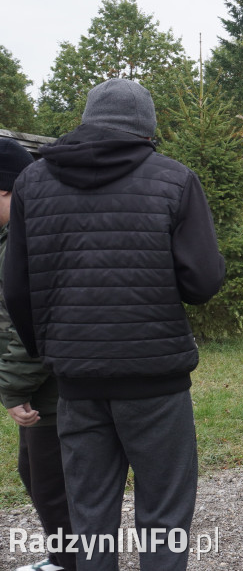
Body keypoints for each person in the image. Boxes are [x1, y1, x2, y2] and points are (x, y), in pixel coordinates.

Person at [3, 78, 225, 570]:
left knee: (89, 514)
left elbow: (17, 288)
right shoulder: (174, 179)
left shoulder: (32, 184)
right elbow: (204, 281)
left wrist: (52, 351)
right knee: (164, 512)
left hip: (77, 380)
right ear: (147, 128)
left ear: (87, 118)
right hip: (155, 380)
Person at [0, 139, 76, 571]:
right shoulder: (11, 237)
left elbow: (27, 320)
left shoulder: (20, 242)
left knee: (52, 485)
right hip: (44, 390)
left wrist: (14, 388)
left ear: (8, 190)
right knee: (37, 475)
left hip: (51, 393)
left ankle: (73, 564)